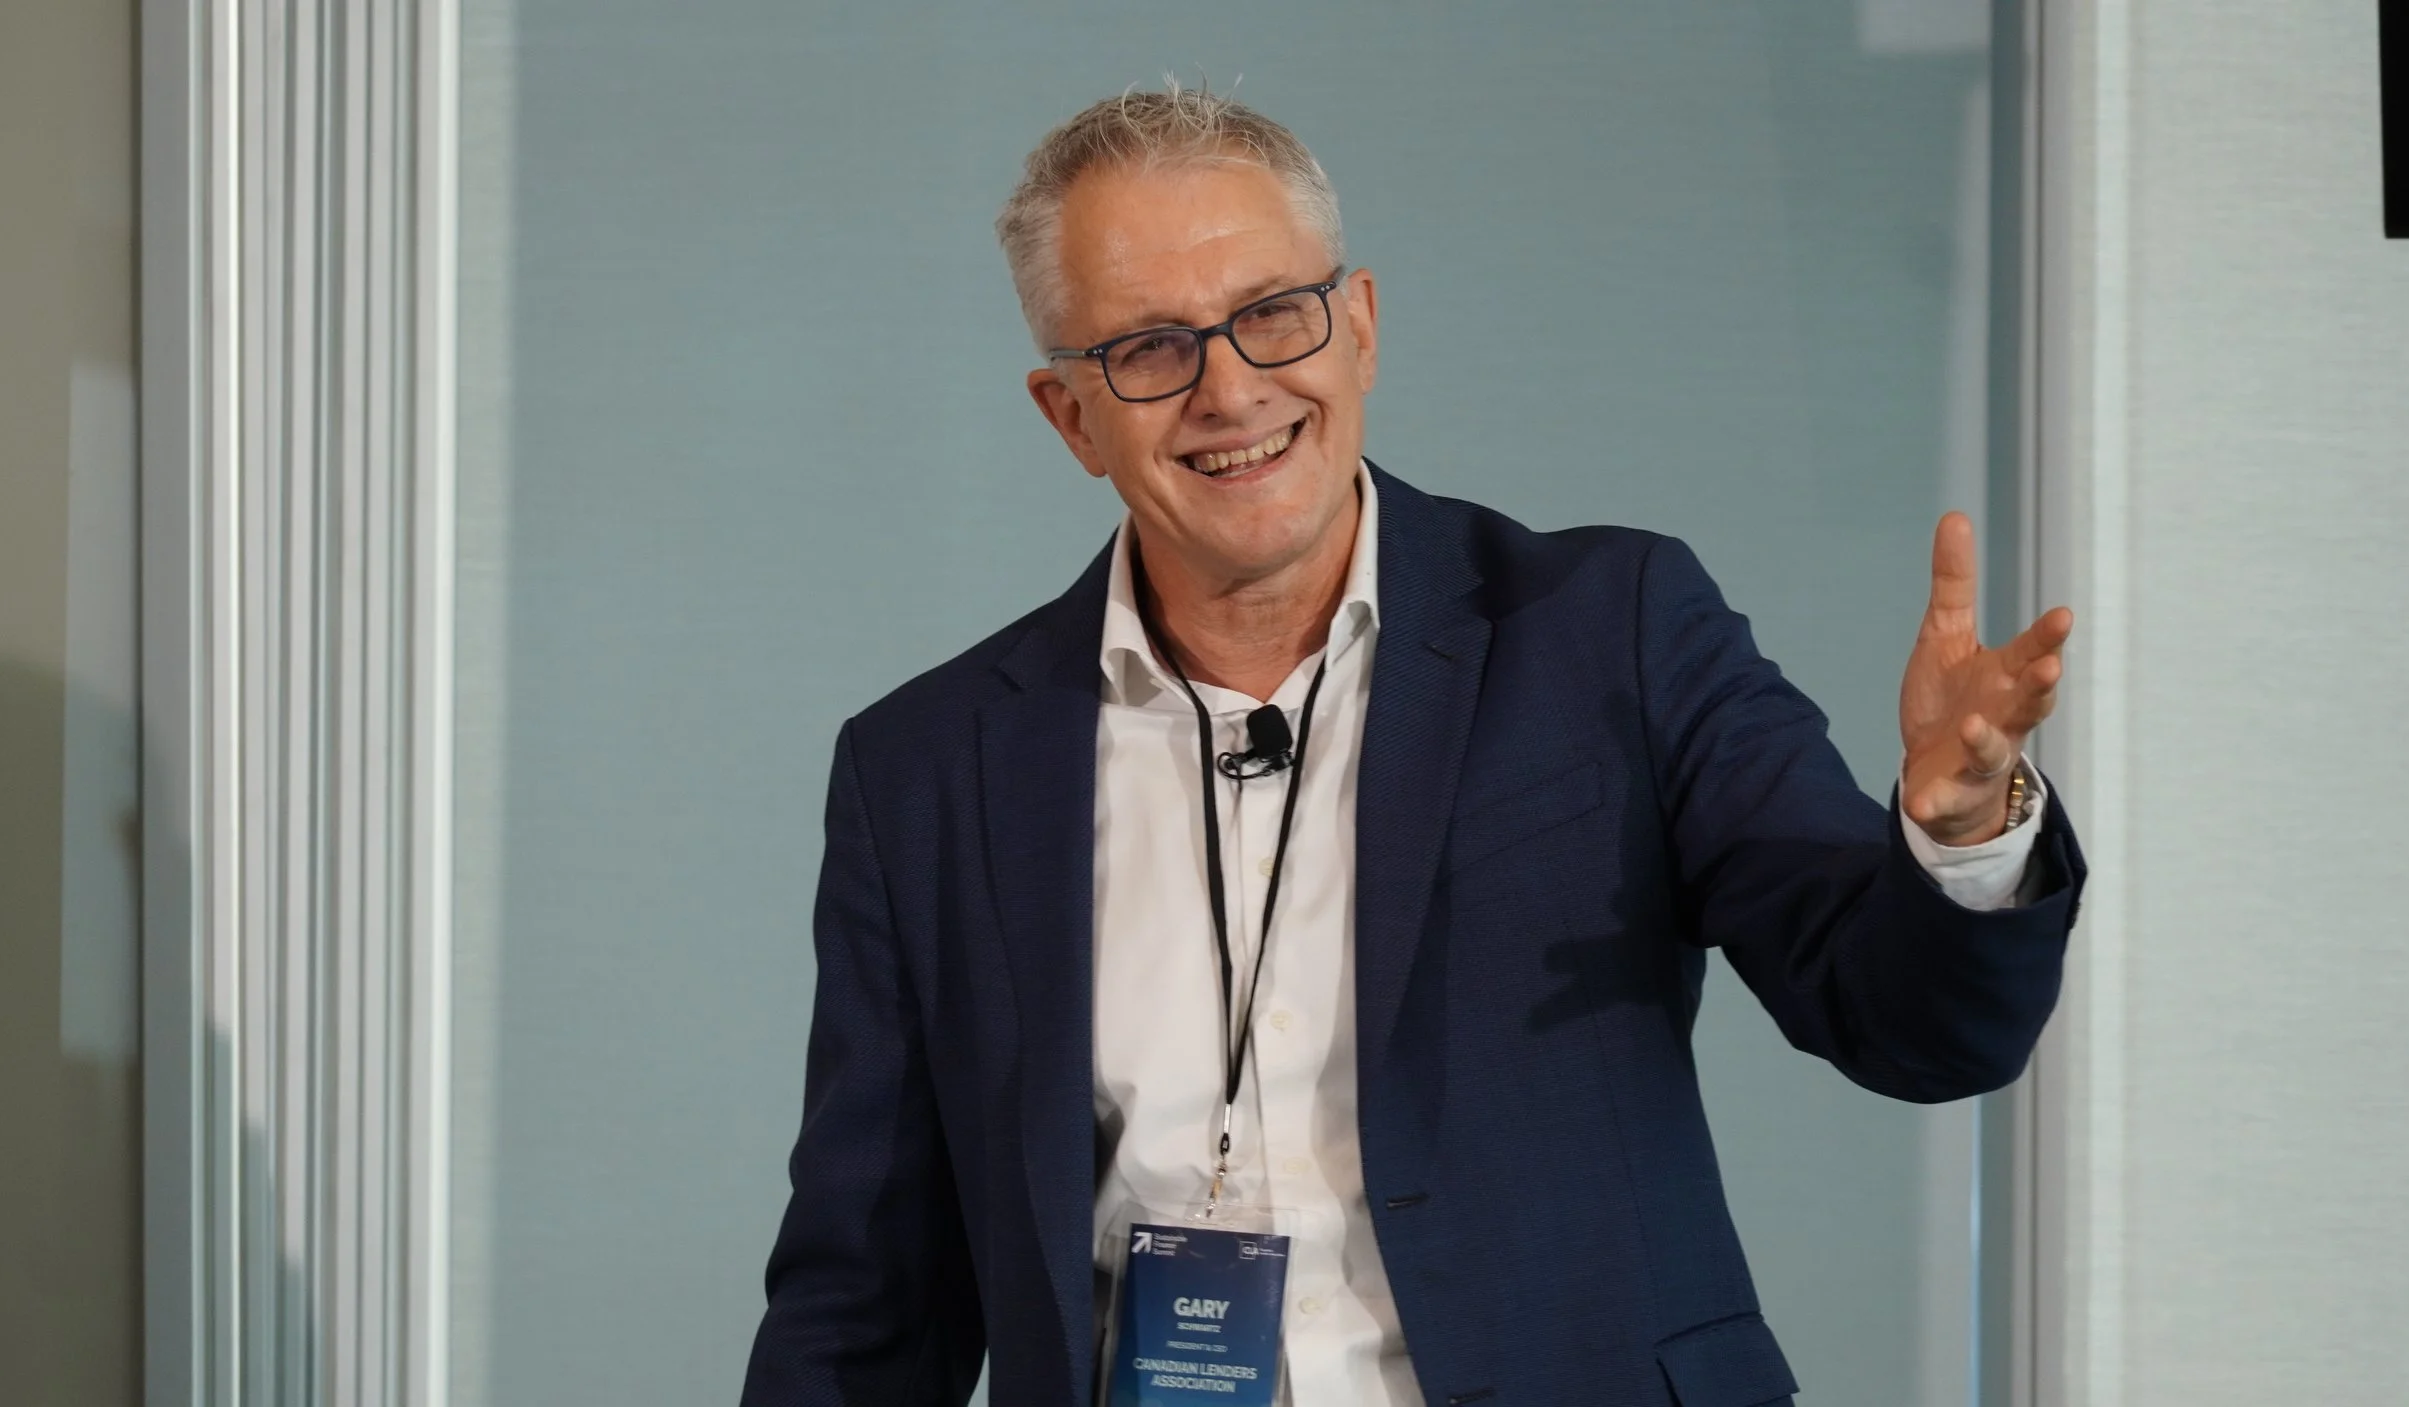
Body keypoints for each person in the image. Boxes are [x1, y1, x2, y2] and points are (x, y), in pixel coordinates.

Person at [742, 87, 2085, 1407]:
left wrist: (1963, 832)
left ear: (1361, 327)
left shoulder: (1607, 630)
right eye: (1149, 349)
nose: (1230, 389)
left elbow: (1914, 1029)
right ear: (1070, 416)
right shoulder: (926, 774)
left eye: (1274, 312)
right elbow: (866, 1304)